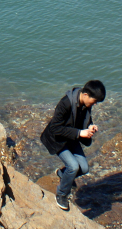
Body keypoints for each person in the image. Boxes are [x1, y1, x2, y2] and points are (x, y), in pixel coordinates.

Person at [39, 80, 106, 211]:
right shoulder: (65, 103)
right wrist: (80, 133)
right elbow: (55, 128)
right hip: (57, 139)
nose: (95, 104)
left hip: (72, 137)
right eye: (95, 101)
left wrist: (90, 126)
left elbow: (86, 118)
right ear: (85, 94)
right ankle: (61, 195)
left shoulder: (86, 104)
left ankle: (62, 173)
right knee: (74, 167)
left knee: (84, 168)